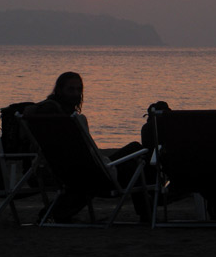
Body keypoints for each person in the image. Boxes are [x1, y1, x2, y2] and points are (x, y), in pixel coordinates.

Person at [28, 72, 151, 223]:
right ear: (59, 90)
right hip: (89, 174)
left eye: (79, 89)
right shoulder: (67, 119)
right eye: (71, 89)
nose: (76, 93)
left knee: (135, 151)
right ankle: (147, 210)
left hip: (68, 171)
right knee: (137, 153)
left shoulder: (47, 115)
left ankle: (148, 206)